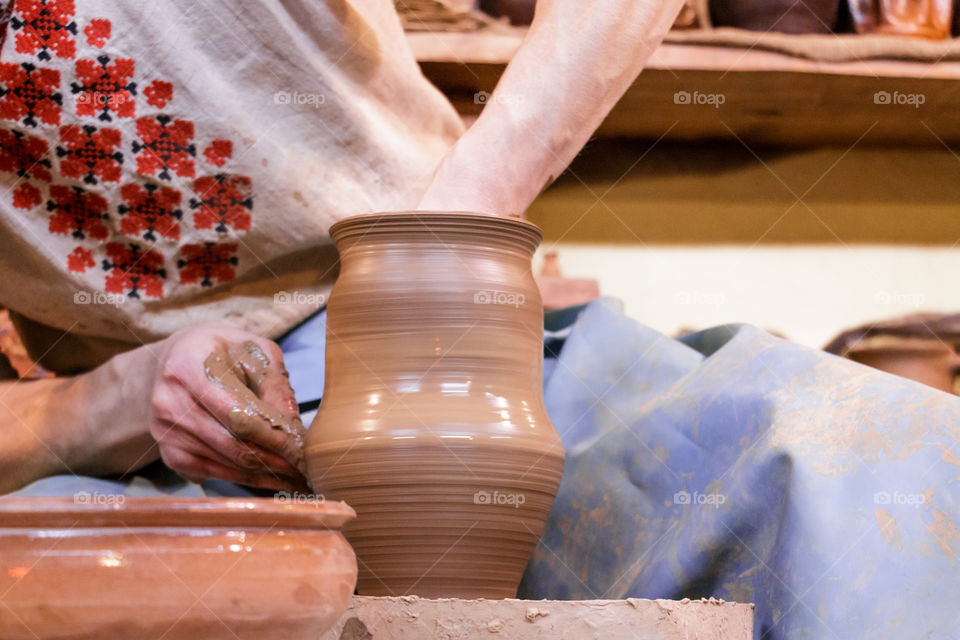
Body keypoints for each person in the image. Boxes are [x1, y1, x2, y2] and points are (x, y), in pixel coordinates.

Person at [0, 0, 684, 494]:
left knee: (767, 433)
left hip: (433, 317)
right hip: (152, 434)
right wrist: (124, 397)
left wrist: (452, 227)